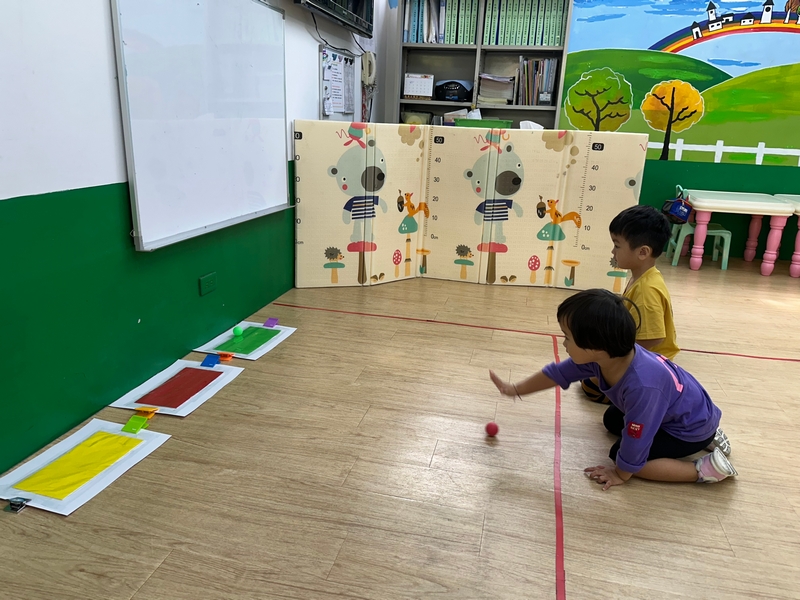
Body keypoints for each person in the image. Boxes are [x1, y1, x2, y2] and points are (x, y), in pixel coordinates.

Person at [489, 289, 737, 490]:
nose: (563, 343)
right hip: (681, 411)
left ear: (596, 346)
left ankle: (703, 470)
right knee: (612, 420)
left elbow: (636, 438)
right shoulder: (606, 356)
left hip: (687, 429)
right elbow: (557, 374)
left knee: (625, 457)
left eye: (567, 337)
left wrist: (621, 473)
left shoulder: (642, 386)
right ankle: (706, 432)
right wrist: (515, 389)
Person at [581, 205, 678, 405]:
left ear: (642, 252)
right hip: (642, 356)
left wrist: (616, 360)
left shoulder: (647, 290)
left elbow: (653, 338)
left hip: (652, 366)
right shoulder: (642, 277)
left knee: (590, 385)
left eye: (617, 245)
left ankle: (640, 398)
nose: (613, 251)